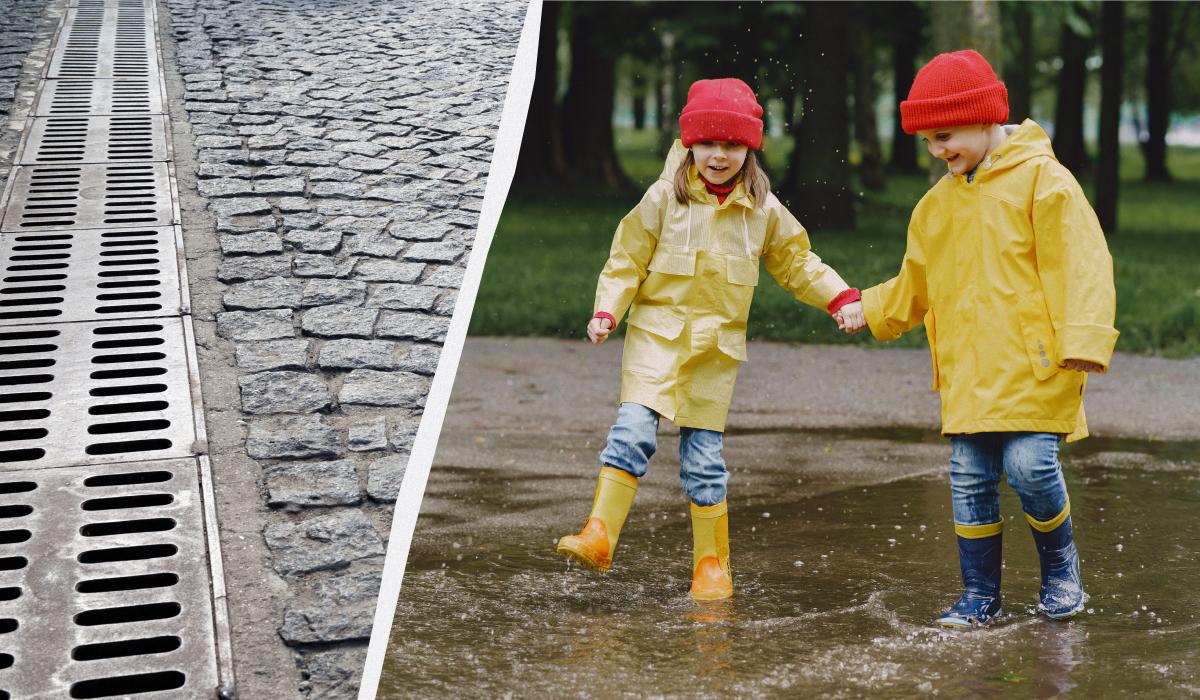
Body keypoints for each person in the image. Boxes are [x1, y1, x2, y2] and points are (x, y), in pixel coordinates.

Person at [555, 78, 864, 600]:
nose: (719, 156)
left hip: (714, 353)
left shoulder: (762, 211)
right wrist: (608, 309)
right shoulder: (663, 198)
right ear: (689, 143)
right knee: (632, 432)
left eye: (733, 145)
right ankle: (600, 532)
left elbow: (797, 263)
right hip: (657, 338)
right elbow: (626, 258)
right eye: (709, 144)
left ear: (751, 149)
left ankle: (711, 566)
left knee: (704, 463)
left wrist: (839, 296)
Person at [847, 50, 1118, 626]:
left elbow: (1082, 263)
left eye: (945, 134)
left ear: (986, 118)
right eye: (926, 140)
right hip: (969, 369)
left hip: (1038, 363)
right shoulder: (934, 208)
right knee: (970, 476)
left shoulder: (1044, 182)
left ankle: (1060, 570)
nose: (937, 149)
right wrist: (870, 309)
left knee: (1030, 467)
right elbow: (916, 282)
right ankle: (979, 594)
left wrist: (1085, 338)